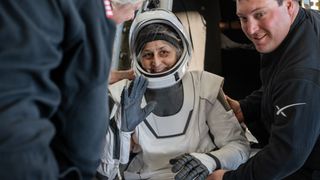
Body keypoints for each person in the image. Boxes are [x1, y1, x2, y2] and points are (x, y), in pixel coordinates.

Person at [97, 9, 250, 180]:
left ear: (179, 52)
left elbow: (239, 146)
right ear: (137, 59)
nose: (156, 62)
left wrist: (210, 160)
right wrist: (122, 131)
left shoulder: (205, 87)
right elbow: (106, 173)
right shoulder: (123, 95)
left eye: (164, 52)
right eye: (147, 54)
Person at [0, 0, 143, 179]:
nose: (131, 16)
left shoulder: (88, 16)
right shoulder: (74, 12)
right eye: (136, 8)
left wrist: (125, 75)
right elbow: (13, 104)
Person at [208, 0, 320, 179]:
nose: (251, 29)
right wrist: (245, 108)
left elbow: (286, 155)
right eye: (243, 18)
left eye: (260, 14)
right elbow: (279, 84)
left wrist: (228, 178)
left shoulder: (300, 75)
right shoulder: (302, 23)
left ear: (289, 5)